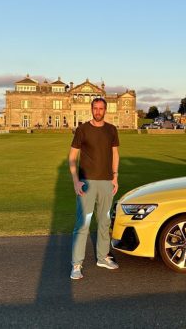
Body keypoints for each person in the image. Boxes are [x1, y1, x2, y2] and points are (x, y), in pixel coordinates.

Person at [68, 97, 120, 280]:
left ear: (105, 110)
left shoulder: (111, 130)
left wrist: (115, 177)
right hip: (87, 183)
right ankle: (76, 264)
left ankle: (103, 257)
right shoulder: (82, 130)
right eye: (95, 108)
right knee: (83, 224)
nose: (98, 111)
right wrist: (76, 181)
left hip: (106, 183)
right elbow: (72, 157)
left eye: (101, 109)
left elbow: (115, 154)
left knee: (105, 222)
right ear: (91, 109)